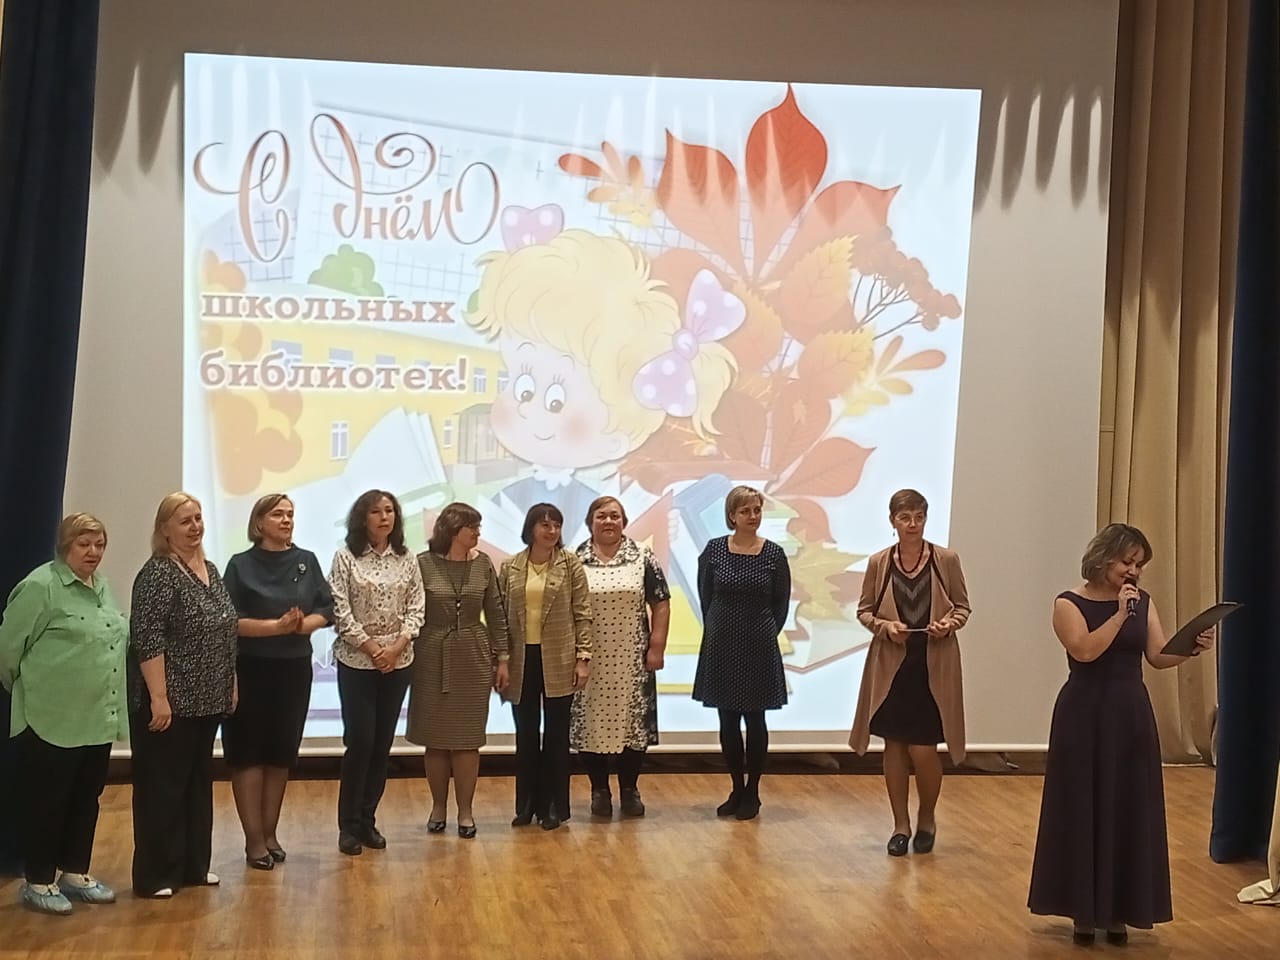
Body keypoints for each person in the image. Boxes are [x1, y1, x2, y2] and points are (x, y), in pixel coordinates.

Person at [1027, 523, 1216, 946]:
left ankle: (1119, 912)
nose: (1134, 571)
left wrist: (1191, 647)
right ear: (1102, 558)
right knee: (1081, 805)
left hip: (1129, 712)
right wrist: (1118, 615)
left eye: (1139, 565)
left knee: (1127, 804)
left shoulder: (1142, 603)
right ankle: (1081, 911)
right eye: (1127, 562)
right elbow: (1085, 650)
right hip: (1083, 715)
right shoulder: (1068, 602)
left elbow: (1157, 655)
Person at [0, 514, 128, 914]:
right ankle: (38, 880)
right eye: (84, 544)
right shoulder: (41, 586)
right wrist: (35, 689)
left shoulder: (101, 586)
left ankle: (75, 872)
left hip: (97, 715)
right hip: (50, 717)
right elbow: (8, 651)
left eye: (99, 545)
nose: (93, 552)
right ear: (65, 545)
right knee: (47, 801)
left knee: (86, 798)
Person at [849, 488, 971, 857]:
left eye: (919, 517)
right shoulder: (879, 562)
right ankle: (900, 825)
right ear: (893, 521)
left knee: (924, 750)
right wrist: (885, 627)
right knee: (894, 747)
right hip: (892, 667)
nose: (913, 524)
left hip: (932, 666)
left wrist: (948, 624)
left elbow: (963, 607)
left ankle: (927, 817)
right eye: (905, 517)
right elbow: (864, 610)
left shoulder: (946, 559)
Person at [128, 492, 238, 898]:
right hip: (169, 703)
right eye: (185, 521)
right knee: (163, 788)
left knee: (196, 784)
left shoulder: (210, 569)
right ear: (164, 529)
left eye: (198, 518)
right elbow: (147, 637)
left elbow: (225, 628)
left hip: (207, 700)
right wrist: (158, 697)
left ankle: (194, 866)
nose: (195, 527)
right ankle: (156, 874)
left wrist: (230, 682)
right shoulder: (158, 574)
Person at [221, 494, 333, 870]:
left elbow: (326, 608)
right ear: (259, 523)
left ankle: (270, 833)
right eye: (277, 514)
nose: (286, 520)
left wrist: (302, 626)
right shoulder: (240, 565)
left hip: (293, 669)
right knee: (248, 755)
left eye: (290, 514)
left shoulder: (306, 560)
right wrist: (276, 627)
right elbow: (229, 621)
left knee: (280, 754)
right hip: (250, 668)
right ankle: (253, 840)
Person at [328, 489, 424, 856]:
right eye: (376, 511)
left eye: (389, 511)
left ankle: (368, 820)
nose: (384, 517)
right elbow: (340, 610)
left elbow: (416, 607)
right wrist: (372, 648)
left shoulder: (407, 558)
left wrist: (396, 648)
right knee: (361, 742)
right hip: (358, 662)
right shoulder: (345, 557)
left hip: (398, 661)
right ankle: (348, 825)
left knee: (382, 745)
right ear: (361, 518)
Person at [406, 503, 510, 839]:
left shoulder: (483, 564)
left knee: (467, 740)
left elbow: (495, 613)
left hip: (473, 656)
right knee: (435, 740)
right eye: (472, 527)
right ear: (453, 531)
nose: (478, 533)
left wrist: (503, 658)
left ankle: (466, 811)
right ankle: (438, 807)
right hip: (430, 654)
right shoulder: (423, 563)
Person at [692, 485, 791, 821]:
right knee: (728, 719)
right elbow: (705, 596)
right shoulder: (714, 550)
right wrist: (720, 628)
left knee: (756, 719)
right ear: (731, 515)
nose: (752, 516)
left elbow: (780, 604)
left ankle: (753, 791)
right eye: (745, 511)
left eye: (757, 510)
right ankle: (736, 787)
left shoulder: (774, 554)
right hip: (722, 643)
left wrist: (762, 631)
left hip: (759, 644)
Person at [570, 496, 671, 818]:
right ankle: (599, 790)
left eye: (615, 516)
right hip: (589, 659)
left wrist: (657, 646)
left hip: (633, 659)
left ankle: (630, 789)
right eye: (601, 516)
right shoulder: (575, 559)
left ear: (624, 522)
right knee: (591, 725)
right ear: (590, 522)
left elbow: (661, 603)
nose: (609, 521)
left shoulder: (642, 556)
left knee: (633, 727)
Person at [500, 503, 593, 830]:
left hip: (560, 659)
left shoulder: (571, 564)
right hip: (521, 659)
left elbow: (583, 613)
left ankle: (552, 807)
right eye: (545, 525)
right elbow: (500, 618)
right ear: (531, 528)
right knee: (526, 735)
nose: (552, 531)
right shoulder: (511, 566)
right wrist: (501, 659)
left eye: (557, 525)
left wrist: (583, 658)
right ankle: (526, 806)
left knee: (556, 736)